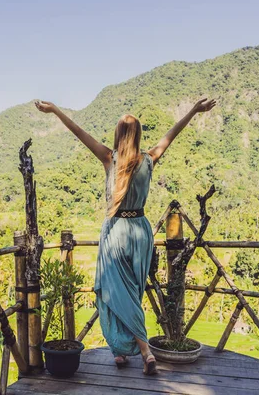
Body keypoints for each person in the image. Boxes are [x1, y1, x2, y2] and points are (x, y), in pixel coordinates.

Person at [35, 98, 216, 375]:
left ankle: (145, 352)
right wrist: (193, 110)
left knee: (113, 292)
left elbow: (79, 132)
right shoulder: (149, 159)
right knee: (131, 291)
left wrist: (56, 110)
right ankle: (120, 351)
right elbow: (172, 134)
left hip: (117, 230)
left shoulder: (110, 158)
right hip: (140, 231)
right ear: (139, 135)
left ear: (118, 135)